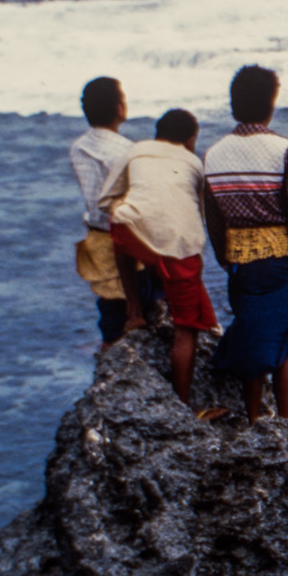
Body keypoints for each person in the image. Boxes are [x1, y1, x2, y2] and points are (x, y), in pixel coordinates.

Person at [201, 65, 288, 426]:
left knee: (251, 333)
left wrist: (225, 259)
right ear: (271, 103)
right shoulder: (286, 150)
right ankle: (284, 422)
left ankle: (253, 418)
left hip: (240, 263)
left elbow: (214, 221)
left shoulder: (214, 155)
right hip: (284, 260)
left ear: (234, 105)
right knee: (285, 338)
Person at [100, 108, 220, 406]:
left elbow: (104, 199)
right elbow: (199, 216)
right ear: (192, 139)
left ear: (157, 133)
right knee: (186, 329)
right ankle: (181, 402)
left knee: (122, 225)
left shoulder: (136, 149)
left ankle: (134, 312)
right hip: (179, 247)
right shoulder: (194, 162)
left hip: (130, 233)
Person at [68, 76, 135, 348]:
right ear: (119, 109)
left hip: (96, 236)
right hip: (124, 237)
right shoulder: (128, 150)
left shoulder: (78, 148)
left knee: (110, 313)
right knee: (133, 310)